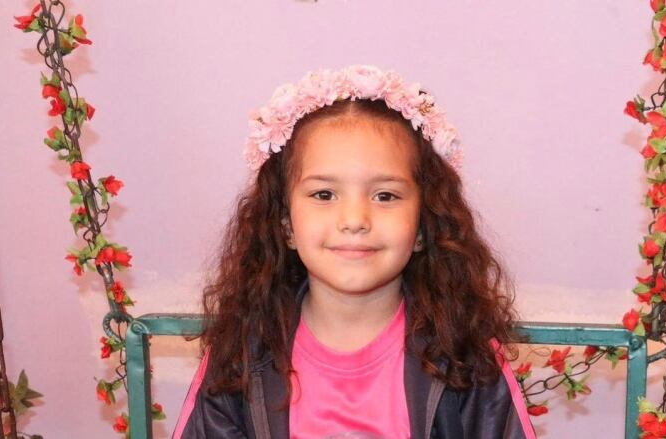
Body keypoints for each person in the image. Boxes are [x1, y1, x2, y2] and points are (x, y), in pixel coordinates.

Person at [173, 65, 536, 439]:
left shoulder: (466, 358)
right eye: (324, 195)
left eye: (385, 196)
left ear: (424, 227)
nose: (354, 219)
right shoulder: (241, 357)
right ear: (285, 224)